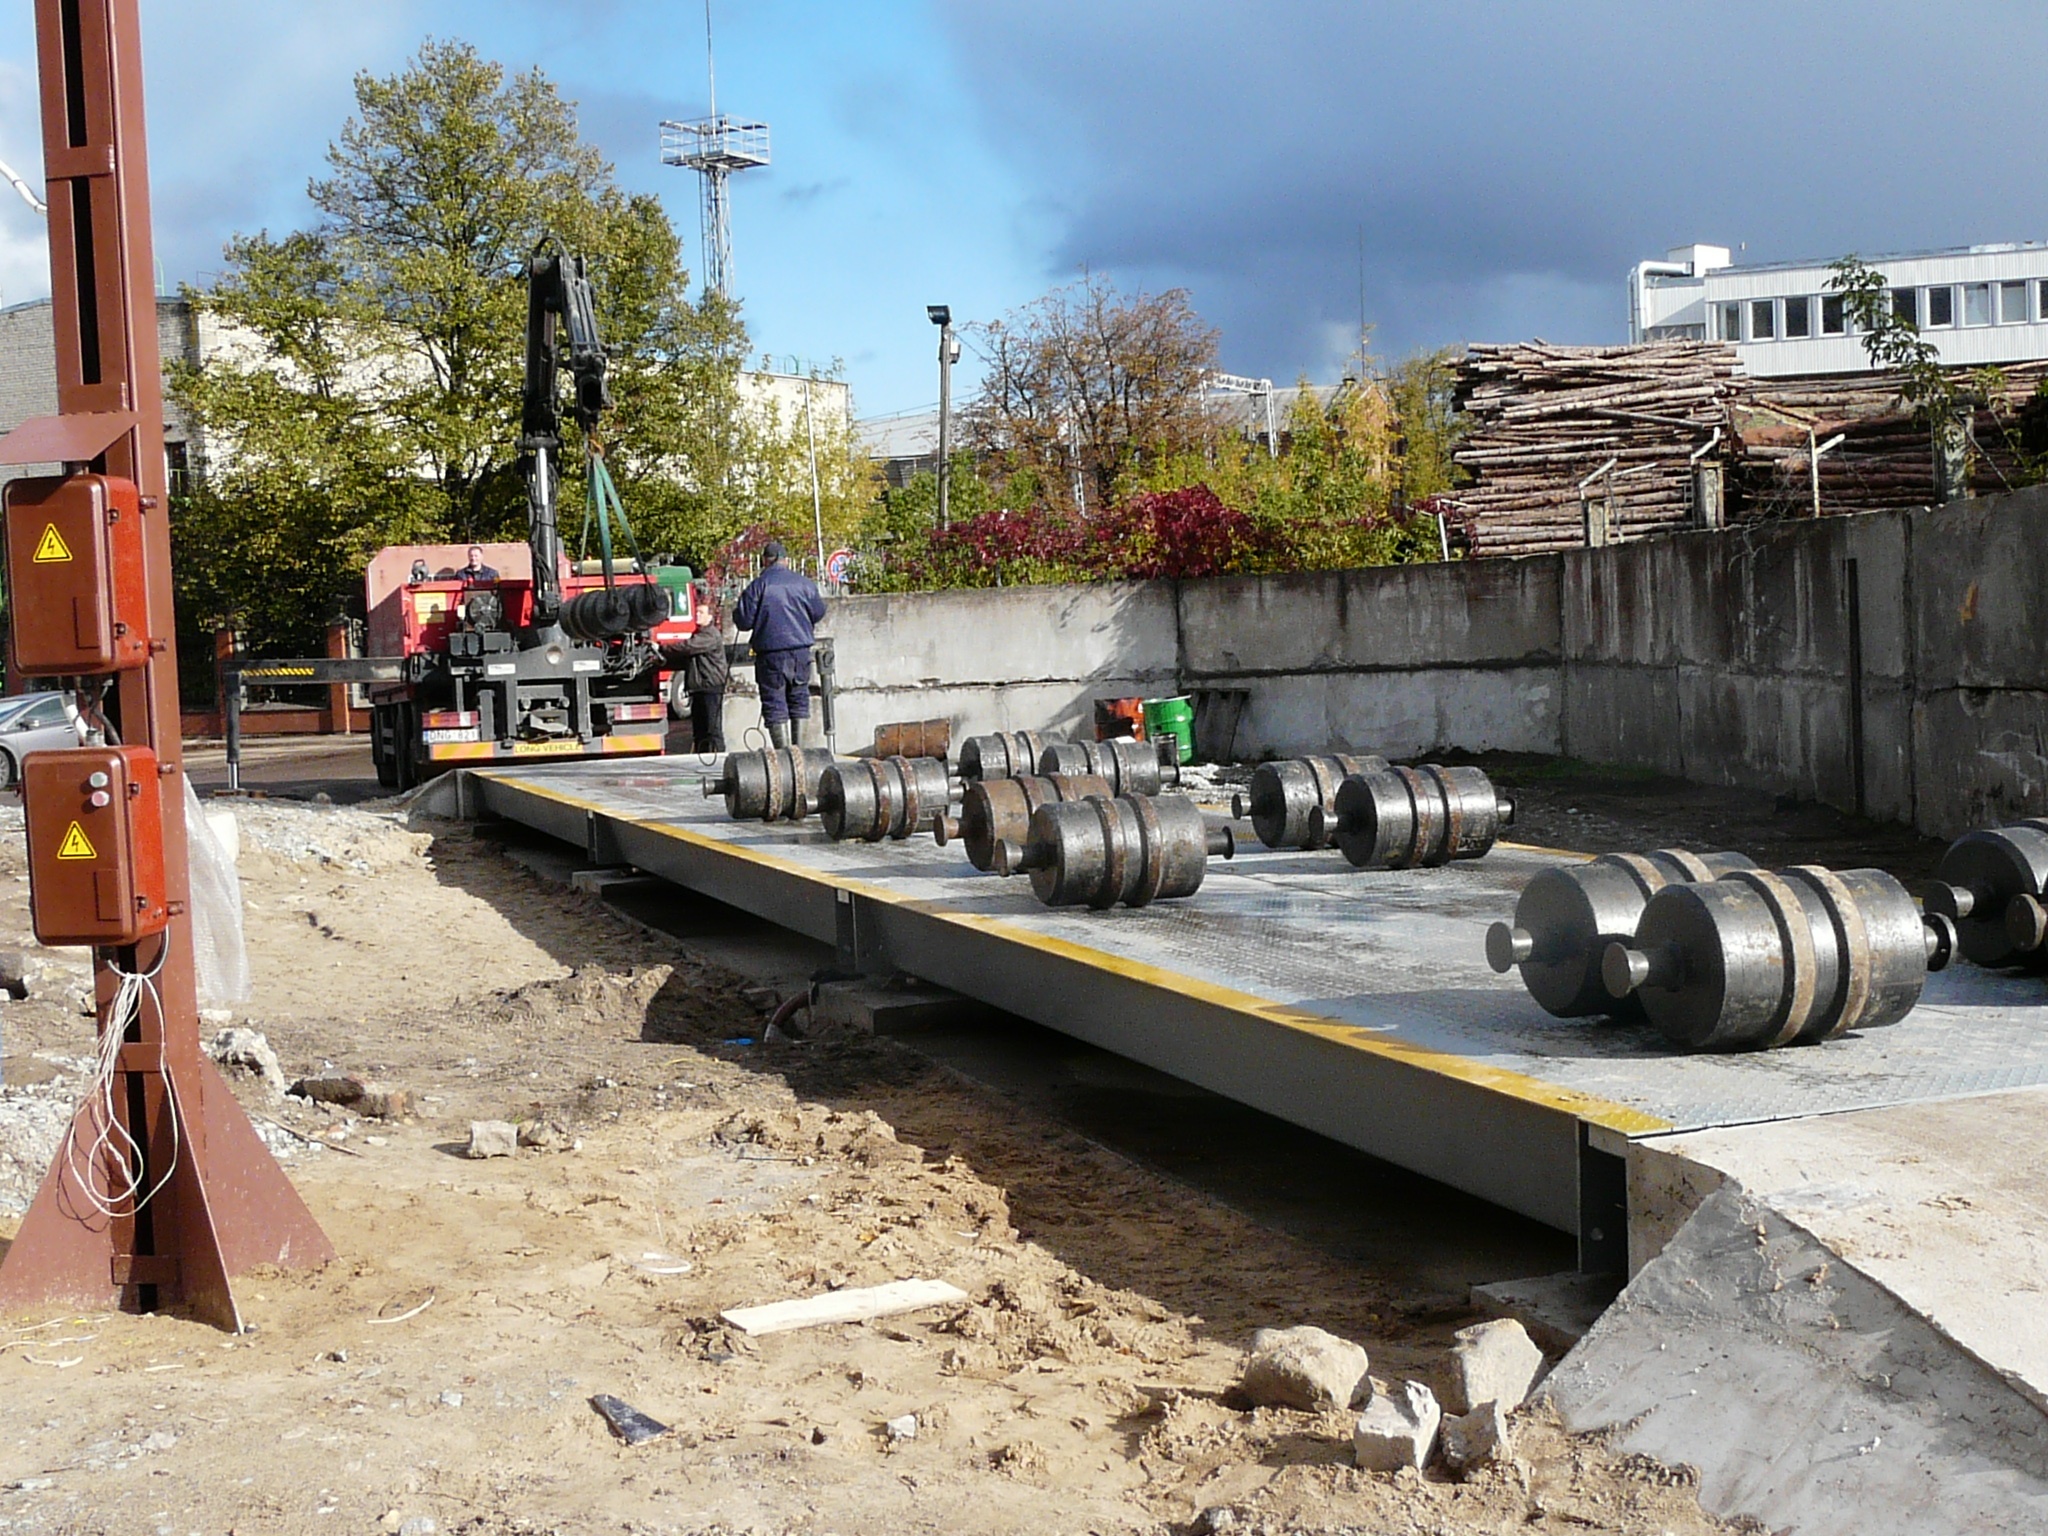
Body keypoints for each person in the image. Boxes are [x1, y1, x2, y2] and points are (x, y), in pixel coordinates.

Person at [731, 540, 826, 749]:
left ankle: (784, 755)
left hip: (770, 653)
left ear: (765, 561)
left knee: (775, 702)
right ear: (786, 561)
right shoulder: (805, 584)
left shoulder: (758, 585)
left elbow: (743, 621)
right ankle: (798, 750)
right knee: (799, 698)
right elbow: (819, 611)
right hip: (800, 650)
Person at [678, 587, 728, 754]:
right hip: (699, 687)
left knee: (712, 729)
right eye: (696, 612)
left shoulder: (710, 635)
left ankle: (719, 758)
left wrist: (663, 647)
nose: (697, 615)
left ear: (710, 616)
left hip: (710, 687)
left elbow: (688, 647)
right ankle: (702, 758)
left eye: (701, 613)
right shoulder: (699, 634)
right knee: (699, 730)